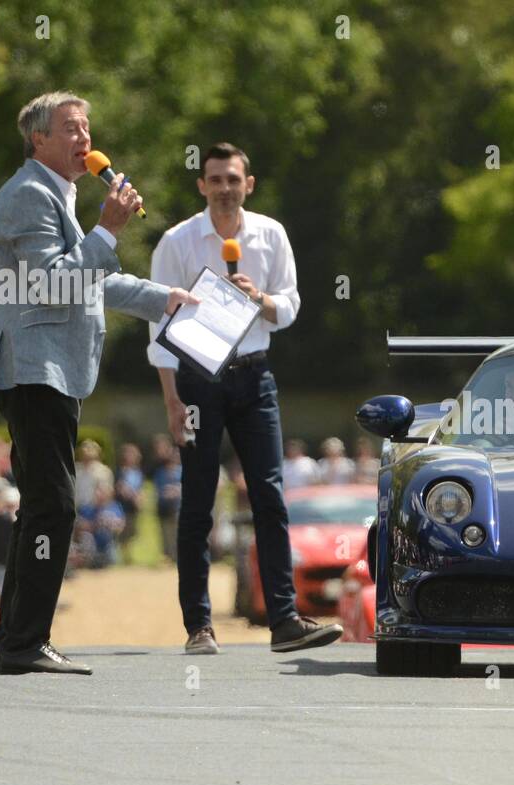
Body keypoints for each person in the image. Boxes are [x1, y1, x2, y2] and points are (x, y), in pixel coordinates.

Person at [0, 91, 198, 675]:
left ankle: (14, 636)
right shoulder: (28, 195)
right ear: (39, 141)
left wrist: (164, 300)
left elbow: (90, 283)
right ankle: (25, 643)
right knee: (52, 507)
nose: (84, 137)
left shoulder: (59, 195)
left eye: (86, 126)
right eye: (70, 128)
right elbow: (52, 284)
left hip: (50, 372)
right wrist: (106, 232)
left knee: (40, 508)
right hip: (33, 370)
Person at [146, 142, 341, 656]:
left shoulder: (270, 235)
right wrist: (171, 401)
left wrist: (262, 300)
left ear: (248, 184)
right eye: (216, 179)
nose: (225, 188)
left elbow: (291, 305)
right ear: (202, 185)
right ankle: (199, 626)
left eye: (234, 179)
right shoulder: (177, 241)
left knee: (270, 497)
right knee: (198, 502)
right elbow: (158, 325)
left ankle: (283, 620)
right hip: (196, 380)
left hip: (255, 378)